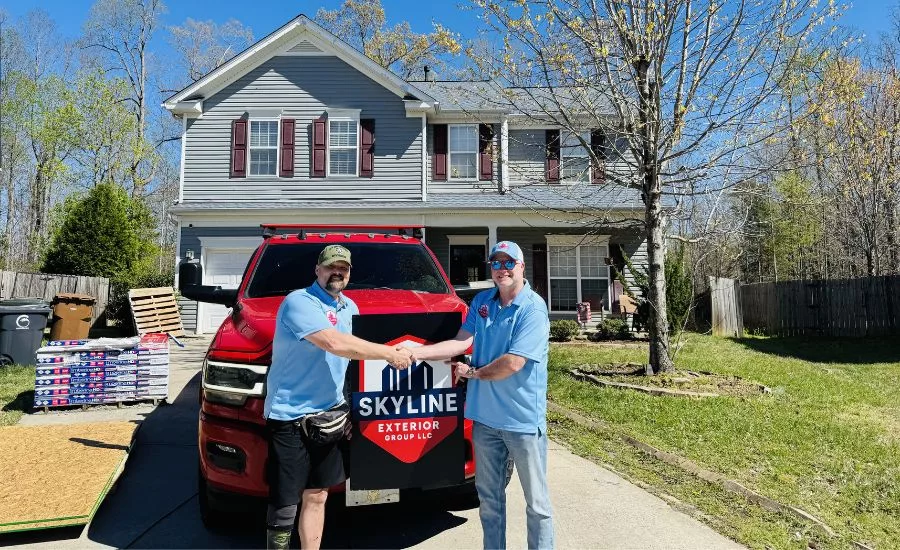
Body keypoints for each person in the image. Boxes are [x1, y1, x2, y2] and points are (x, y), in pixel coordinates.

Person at [264, 244, 414, 550]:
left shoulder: (350, 308)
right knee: (285, 502)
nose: (337, 272)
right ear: (317, 270)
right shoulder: (299, 302)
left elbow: (349, 365)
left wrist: (349, 408)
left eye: (343, 268)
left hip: (328, 415)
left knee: (318, 494)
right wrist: (389, 354)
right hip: (289, 416)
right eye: (331, 267)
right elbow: (333, 343)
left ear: (349, 273)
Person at [407, 240, 553, 549]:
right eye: (496, 263)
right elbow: (461, 343)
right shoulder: (483, 302)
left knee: (537, 506)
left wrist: (472, 373)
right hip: (484, 422)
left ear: (521, 267)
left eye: (508, 262)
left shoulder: (533, 308)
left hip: (521, 422)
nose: (502, 269)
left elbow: (513, 362)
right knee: (489, 503)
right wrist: (419, 352)